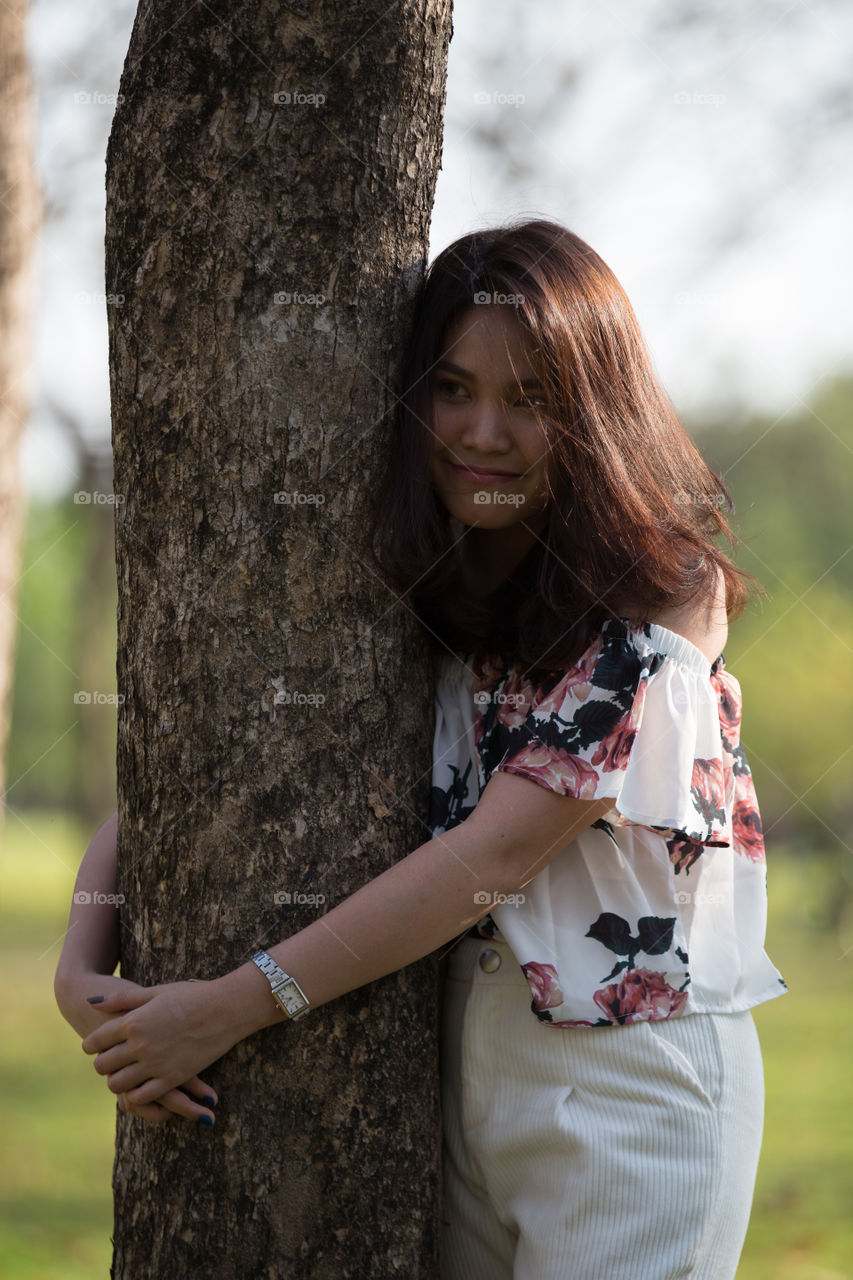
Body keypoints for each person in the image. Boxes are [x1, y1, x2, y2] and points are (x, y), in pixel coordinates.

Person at [54, 217, 787, 1279]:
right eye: (452, 388)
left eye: (529, 397)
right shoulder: (419, 589)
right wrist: (83, 968)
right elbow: (194, 777)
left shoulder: (663, 595)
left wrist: (225, 1008)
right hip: (452, 1083)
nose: (481, 431)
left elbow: (493, 855)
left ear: (592, 407)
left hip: (638, 1097)